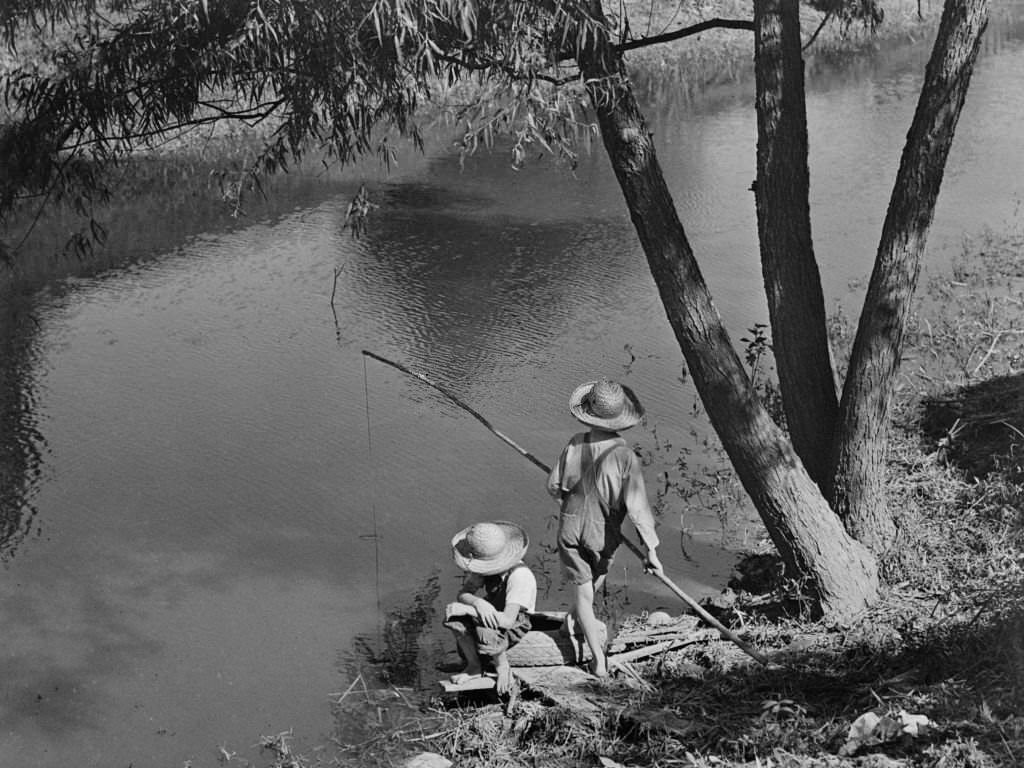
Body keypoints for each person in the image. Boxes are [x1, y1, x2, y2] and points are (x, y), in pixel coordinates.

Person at [547, 378, 663, 678]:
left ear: (587, 413)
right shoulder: (626, 457)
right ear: (621, 419)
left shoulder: (575, 443)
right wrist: (650, 550)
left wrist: (570, 496)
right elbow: (637, 508)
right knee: (590, 586)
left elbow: (555, 487)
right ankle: (600, 660)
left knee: (584, 591)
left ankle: (572, 622)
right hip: (603, 532)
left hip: (570, 527)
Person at [443, 520, 537, 694]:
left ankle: (502, 666)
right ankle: (474, 666)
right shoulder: (484, 571)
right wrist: (478, 603)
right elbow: (464, 593)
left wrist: (471, 610)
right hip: (492, 612)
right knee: (454, 617)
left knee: (485, 629)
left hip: (514, 621)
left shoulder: (520, 576)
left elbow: (508, 621)